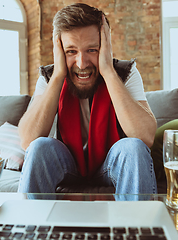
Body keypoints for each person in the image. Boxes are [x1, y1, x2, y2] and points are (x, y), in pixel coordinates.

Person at [17, 3, 158, 195]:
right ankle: (31, 224)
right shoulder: (50, 76)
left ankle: (137, 225)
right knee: (40, 147)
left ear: (105, 47)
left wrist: (107, 71)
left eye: (92, 50)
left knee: (132, 147)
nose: (82, 64)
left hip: (110, 164)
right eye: (71, 51)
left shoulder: (125, 73)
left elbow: (145, 137)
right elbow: (27, 140)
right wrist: (59, 75)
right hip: (68, 165)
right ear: (59, 51)